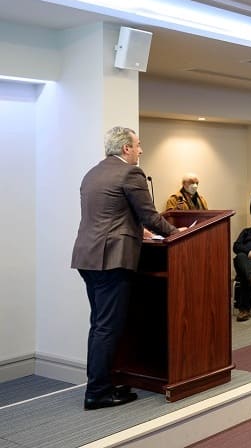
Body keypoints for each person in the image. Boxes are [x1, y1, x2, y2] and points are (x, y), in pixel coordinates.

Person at [72, 126, 181, 410]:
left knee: (99, 324)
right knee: (107, 327)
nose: (141, 150)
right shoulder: (130, 173)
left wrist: (136, 230)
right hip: (112, 258)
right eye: (138, 145)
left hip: (88, 256)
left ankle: (101, 382)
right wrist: (178, 233)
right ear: (126, 148)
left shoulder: (92, 173)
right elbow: (150, 216)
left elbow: (108, 215)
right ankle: (97, 392)